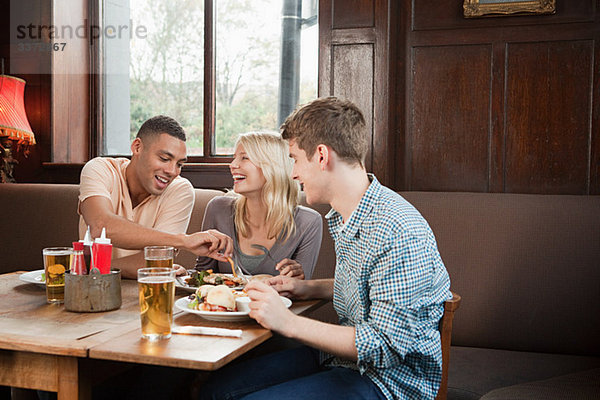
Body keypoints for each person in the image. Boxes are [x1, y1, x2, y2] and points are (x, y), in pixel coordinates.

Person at [198, 98, 452, 400]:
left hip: (388, 382)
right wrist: (304, 288)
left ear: (321, 156)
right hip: (345, 362)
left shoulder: (396, 230)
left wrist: (288, 322)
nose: (292, 173)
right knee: (214, 389)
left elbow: (383, 345)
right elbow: (370, 287)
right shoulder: (351, 214)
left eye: (294, 158)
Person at [78, 115, 232, 279]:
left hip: (146, 289)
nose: (172, 171)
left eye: (179, 164)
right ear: (137, 147)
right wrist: (183, 241)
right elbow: (100, 226)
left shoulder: (180, 189)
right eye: (164, 159)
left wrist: (96, 267)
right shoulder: (100, 169)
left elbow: (159, 260)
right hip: (91, 288)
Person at [195, 132, 322, 280]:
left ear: (273, 167)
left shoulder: (308, 222)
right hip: (220, 304)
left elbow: (301, 287)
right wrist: (181, 275)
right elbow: (202, 276)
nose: (233, 165)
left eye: (244, 158)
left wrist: (296, 278)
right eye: (234, 157)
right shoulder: (218, 209)